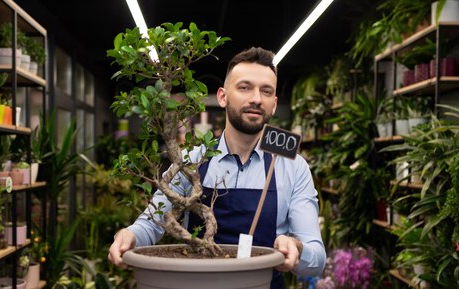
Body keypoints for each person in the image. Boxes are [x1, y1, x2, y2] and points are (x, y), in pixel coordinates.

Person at [108, 47, 326, 289]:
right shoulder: (191, 160)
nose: (256, 98)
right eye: (244, 87)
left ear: (273, 105)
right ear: (222, 96)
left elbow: (315, 258)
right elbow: (151, 223)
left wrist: (297, 248)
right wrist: (129, 235)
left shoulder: (293, 167)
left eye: (266, 91)